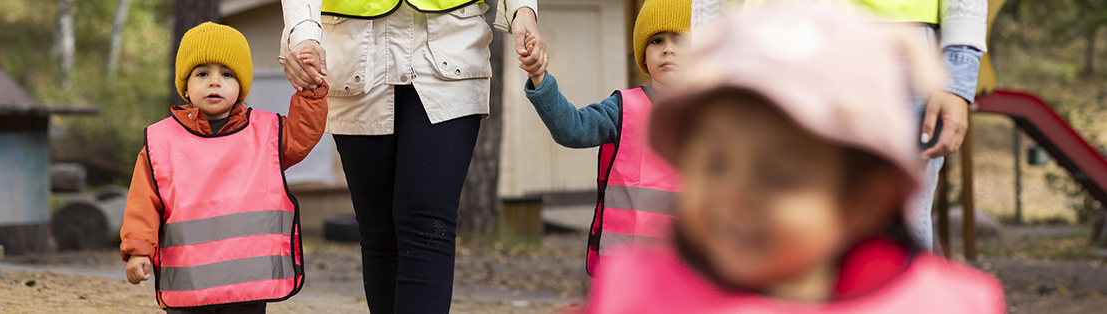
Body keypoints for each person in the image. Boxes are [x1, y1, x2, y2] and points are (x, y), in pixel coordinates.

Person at [588, 4, 1004, 313]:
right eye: (713, 164)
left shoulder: (938, 304)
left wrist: (959, 69)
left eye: (778, 177)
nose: (732, 196)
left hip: (891, 40)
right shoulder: (641, 294)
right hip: (755, 32)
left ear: (865, 200)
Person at [278, 0, 544, 312]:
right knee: (378, 231)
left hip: (450, 41)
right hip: (356, 49)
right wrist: (302, 32)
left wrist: (523, 9)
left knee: (429, 224)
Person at [695, 0, 988, 252]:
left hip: (894, 47)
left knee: (891, 234)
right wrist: (704, 63)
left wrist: (957, 75)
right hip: (771, 44)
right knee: (762, 219)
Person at [119, 22, 329, 314]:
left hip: (248, 283)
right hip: (188, 282)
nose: (214, 82)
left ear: (241, 85)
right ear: (185, 85)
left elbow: (302, 134)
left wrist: (310, 92)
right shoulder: (161, 141)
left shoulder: (267, 132)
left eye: (227, 74)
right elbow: (143, 201)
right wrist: (138, 250)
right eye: (202, 73)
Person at [520, 0, 690, 275]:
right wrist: (540, 78)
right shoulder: (623, 108)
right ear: (644, 56)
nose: (668, 49)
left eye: (680, 40)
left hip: (688, 270)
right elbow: (572, 129)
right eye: (657, 40)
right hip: (624, 268)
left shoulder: (715, 117)